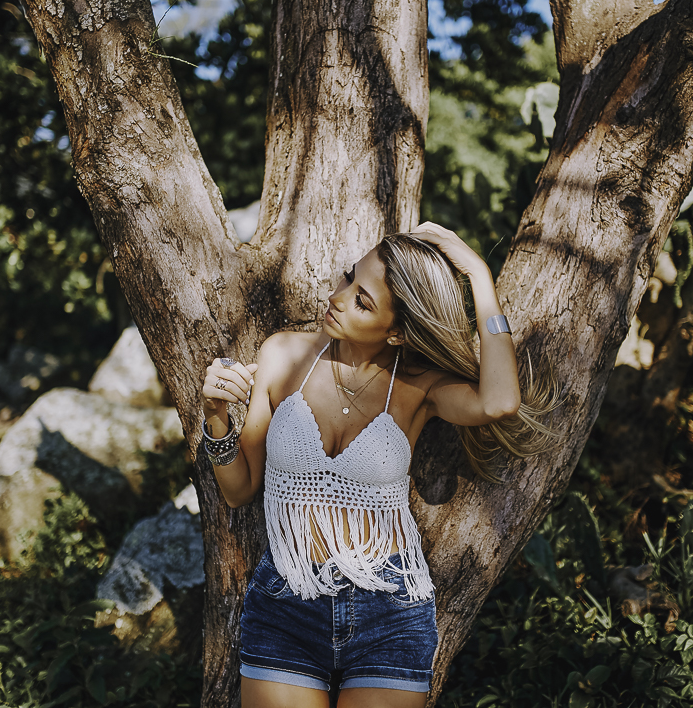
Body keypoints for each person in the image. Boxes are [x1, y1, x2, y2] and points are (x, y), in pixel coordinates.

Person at [199, 222, 559, 708]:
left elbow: (499, 401)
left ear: (396, 332)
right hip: (288, 597)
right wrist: (216, 418)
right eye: (349, 277)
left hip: (389, 607)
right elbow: (239, 489)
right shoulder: (284, 356)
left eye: (362, 301)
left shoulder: (417, 386)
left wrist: (479, 275)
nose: (337, 297)